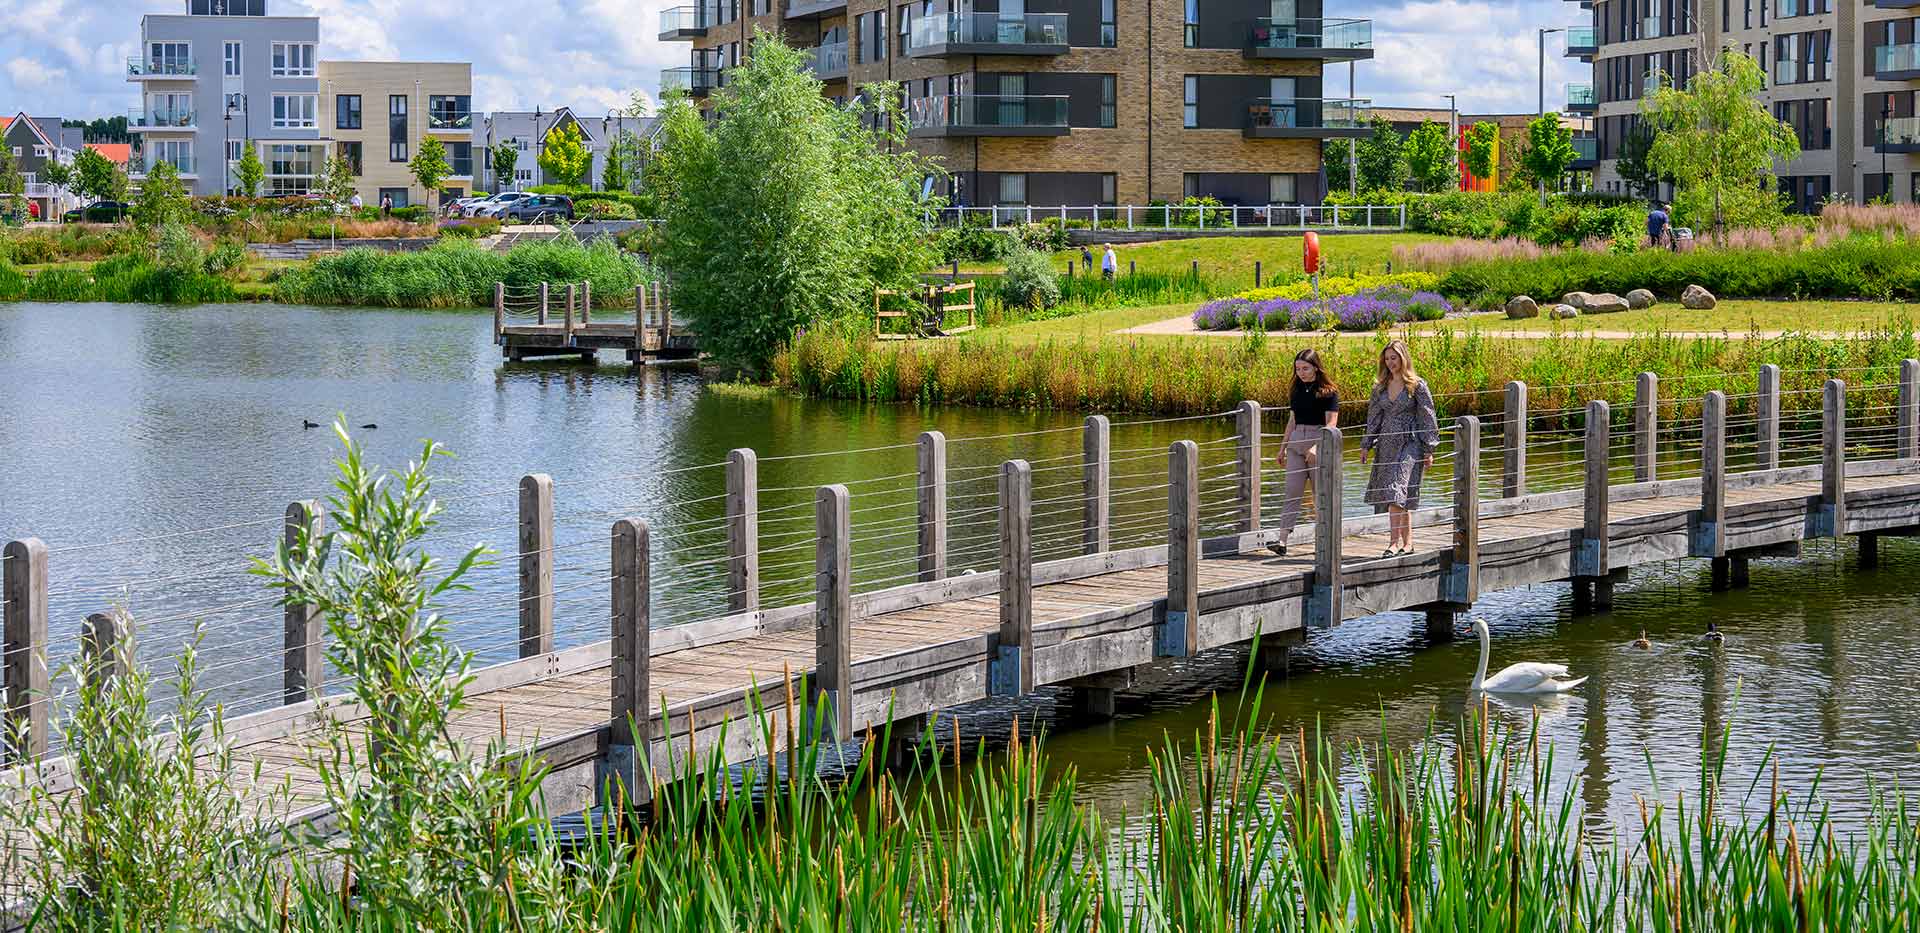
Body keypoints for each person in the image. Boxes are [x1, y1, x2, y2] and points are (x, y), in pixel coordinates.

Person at [1360, 340, 1438, 557]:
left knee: (1397, 490)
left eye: (1394, 358)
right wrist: (1366, 445)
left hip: (1410, 444)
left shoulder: (1417, 385)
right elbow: (1373, 419)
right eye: (1387, 358)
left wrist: (1429, 449)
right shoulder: (1380, 387)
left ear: (1403, 358)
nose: (1390, 362)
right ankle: (1408, 543)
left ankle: (1393, 544)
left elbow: (1427, 417)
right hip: (1386, 444)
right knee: (1400, 495)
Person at [1267, 348, 1338, 558]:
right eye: (1298, 369)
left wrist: (1318, 446)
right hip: (1297, 442)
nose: (1301, 373)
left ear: (1316, 367)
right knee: (1292, 491)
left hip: (1319, 442)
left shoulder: (1329, 391)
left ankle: (1324, 540)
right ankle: (1282, 540)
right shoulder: (1296, 390)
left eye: (1305, 368)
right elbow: (1292, 421)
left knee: (1320, 495)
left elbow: (1332, 422)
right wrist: (1282, 447)